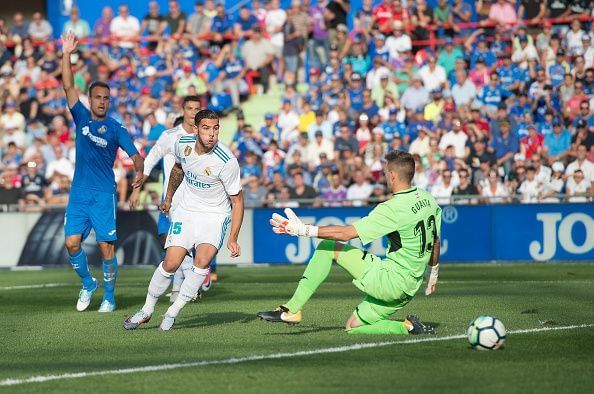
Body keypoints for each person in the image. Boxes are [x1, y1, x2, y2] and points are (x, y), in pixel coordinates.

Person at [258, 151, 439, 335]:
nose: (385, 177)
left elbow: (345, 234)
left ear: (392, 174)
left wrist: (302, 230)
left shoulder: (392, 208)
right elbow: (436, 239)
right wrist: (433, 273)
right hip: (409, 288)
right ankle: (407, 327)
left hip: (390, 282)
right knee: (353, 327)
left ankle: (292, 309)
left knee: (327, 248)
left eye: (386, 173)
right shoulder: (428, 199)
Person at [124, 110, 244, 331]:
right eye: (206, 128)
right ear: (196, 129)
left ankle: (172, 311)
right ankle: (147, 310)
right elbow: (178, 169)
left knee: (202, 262)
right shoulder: (182, 144)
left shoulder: (227, 161)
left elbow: (237, 202)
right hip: (187, 211)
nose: (212, 134)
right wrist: (168, 198)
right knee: (171, 263)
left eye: (215, 128)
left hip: (215, 216)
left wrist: (233, 238)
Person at [60, 32, 144, 313]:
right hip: (79, 193)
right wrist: (66, 53)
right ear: (90, 99)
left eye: (106, 98)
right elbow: (67, 85)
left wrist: (138, 181)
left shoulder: (117, 128)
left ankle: (109, 296)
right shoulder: (81, 117)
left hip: (103, 194)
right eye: (97, 97)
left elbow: (136, 156)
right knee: (71, 243)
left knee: (107, 249)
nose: (102, 102)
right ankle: (88, 283)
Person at [128, 97, 206, 302]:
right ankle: (186, 284)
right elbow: (150, 160)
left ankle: (184, 286)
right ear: (183, 110)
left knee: (185, 246)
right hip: (171, 201)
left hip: (197, 201)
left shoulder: (206, 136)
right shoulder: (169, 136)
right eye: (189, 108)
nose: (193, 112)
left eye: (197, 109)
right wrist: (137, 189)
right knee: (170, 244)